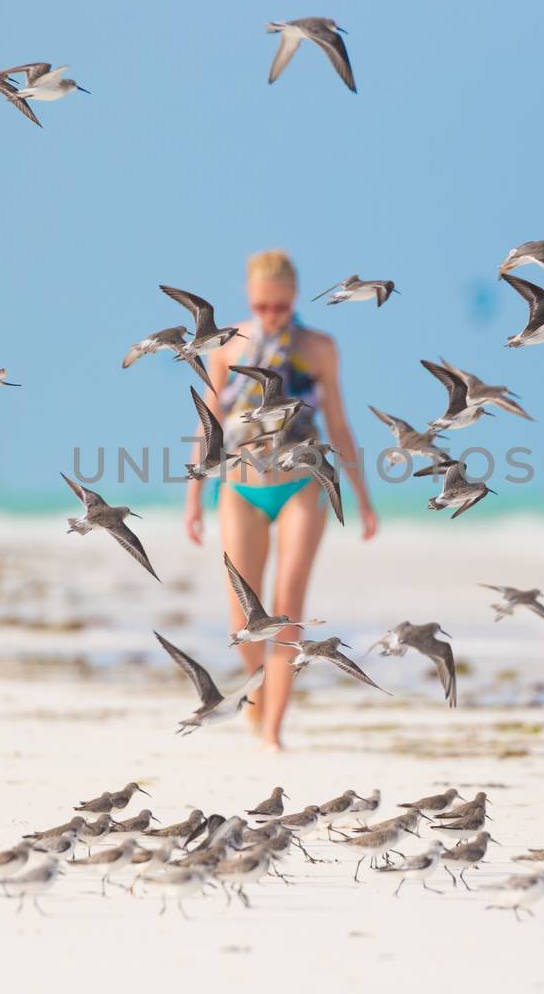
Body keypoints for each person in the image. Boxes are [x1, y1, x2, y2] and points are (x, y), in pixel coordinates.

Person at [184, 249, 378, 752]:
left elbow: (339, 422)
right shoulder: (225, 348)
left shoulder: (318, 348)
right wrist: (193, 496)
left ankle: (273, 729)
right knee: (244, 622)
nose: (271, 315)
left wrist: (361, 496)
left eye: (280, 307)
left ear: (294, 299)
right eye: (262, 306)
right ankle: (261, 699)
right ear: (249, 300)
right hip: (240, 486)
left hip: (302, 485)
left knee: (288, 610)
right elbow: (207, 425)